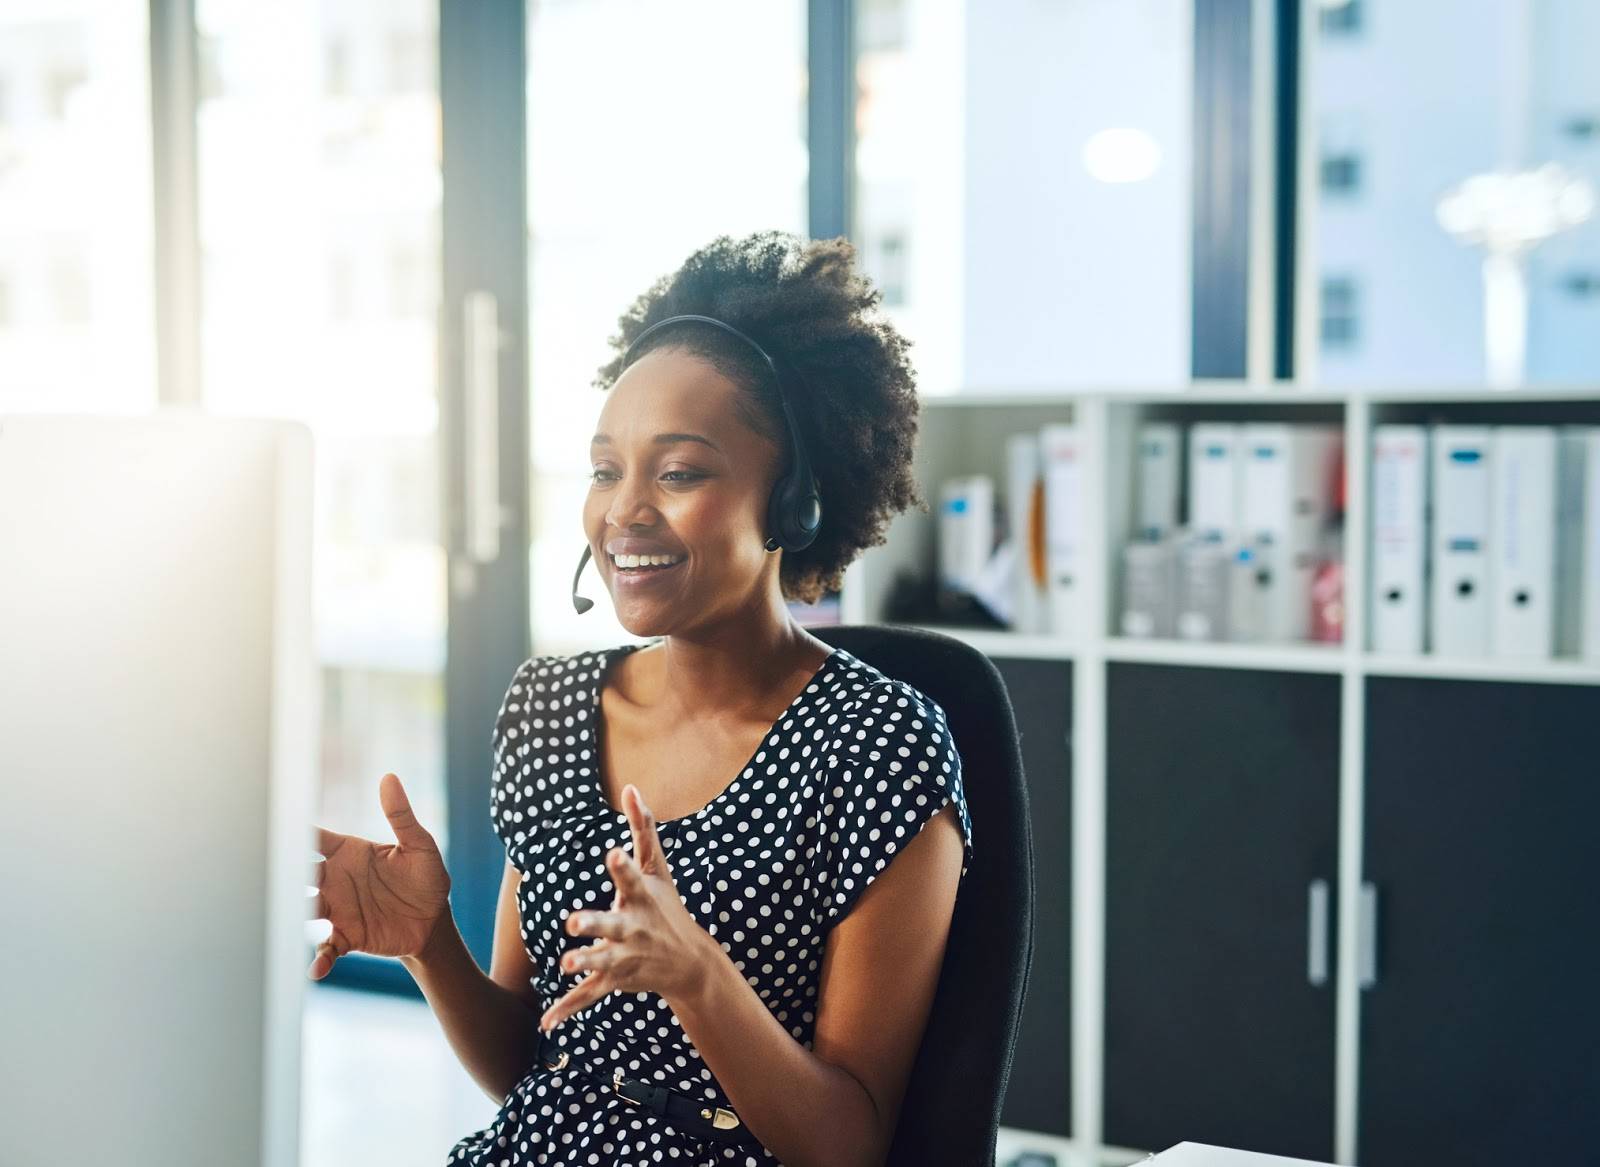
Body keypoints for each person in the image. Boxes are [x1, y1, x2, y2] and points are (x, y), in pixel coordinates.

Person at [308, 230, 975, 1166]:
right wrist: (429, 944)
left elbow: (849, 1147)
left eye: (679, 471)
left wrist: (697, 975)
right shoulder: (549, 708)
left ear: (795, 502)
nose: (624, 511)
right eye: (605, 468)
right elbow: (529, 1066)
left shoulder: (879, 745)